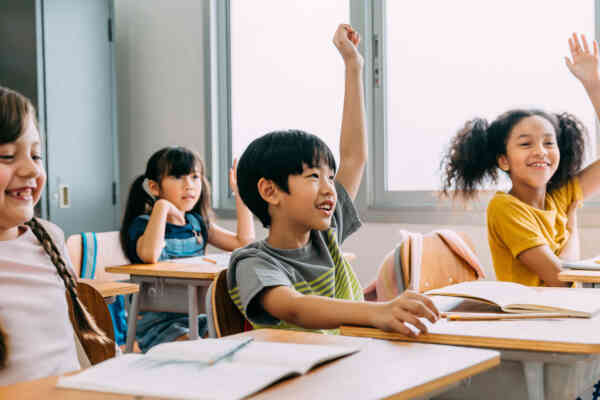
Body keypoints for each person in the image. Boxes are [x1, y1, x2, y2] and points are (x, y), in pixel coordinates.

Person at [227, 24, 440, 337]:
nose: (329, 187)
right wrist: (378, 311)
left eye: (329, 175)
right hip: (296, 379)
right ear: (270, 191)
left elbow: (354, 157)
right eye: (313, 176)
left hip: (346, 363)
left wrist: (354, 66)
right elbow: (295, 306)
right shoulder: (252, 262)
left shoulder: (325, 235)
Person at [440, 33, 600, 287]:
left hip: (567, 313)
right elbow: (561, 281)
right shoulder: (505, 208)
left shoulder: (559, 195)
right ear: (504, 161)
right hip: (532, 321)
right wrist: (572, 226)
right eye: (526, 144)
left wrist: (593, 85)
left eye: (549, 142)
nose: (541, 151)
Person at [0, 86, 108, 385]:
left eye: (36, 155)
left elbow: (68, 349)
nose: (30, 169)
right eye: (7, 156)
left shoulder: (48, 238)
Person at [120, 146, 254, 351]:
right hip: (159, 324)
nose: (189, 185)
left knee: (232, 343)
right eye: (177, 177)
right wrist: (162, 207)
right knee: (198, 351)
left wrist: (240, 193)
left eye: (195, 177)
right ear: (155, 188)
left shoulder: (196, 223)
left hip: (199, 315)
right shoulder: (144, 224)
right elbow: (149, 255)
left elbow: (244, 243)